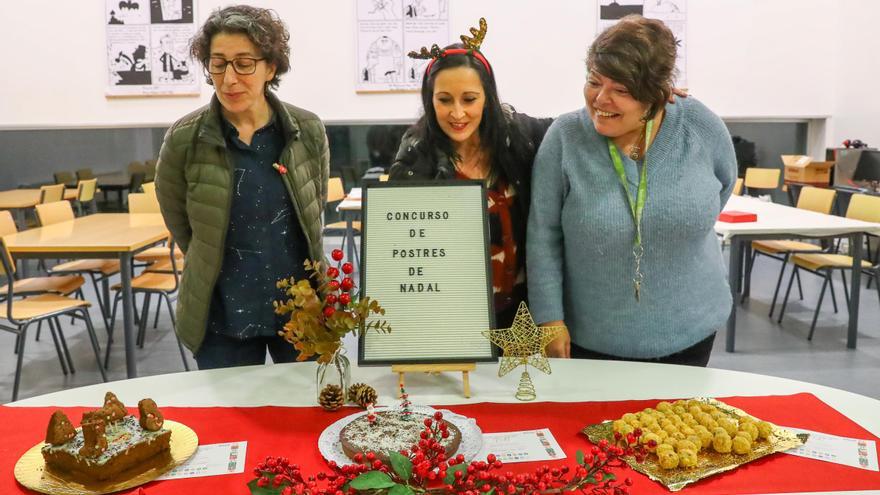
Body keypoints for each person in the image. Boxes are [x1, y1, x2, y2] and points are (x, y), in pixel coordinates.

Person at [527, 15, 736, 367]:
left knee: (677, 422)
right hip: (592, 338)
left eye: (621, 91)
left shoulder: (701, 127)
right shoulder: (565, 139)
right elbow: (543, 235)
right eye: (594, 82)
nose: (601, 99)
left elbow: (722, 187)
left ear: (657, 92)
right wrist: (549, 318)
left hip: (692, 329)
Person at [155, 5, 329, 369]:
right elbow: (179, 218)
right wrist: (211, 254)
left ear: (272, 67)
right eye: (218, 63)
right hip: (222, 316)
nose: (229, 79)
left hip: (302, 312)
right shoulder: (185, 139)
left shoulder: (306, 130)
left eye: (243, 63)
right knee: (227, 423)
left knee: (302, 418)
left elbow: (314, 209)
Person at [388, 21, 553, 330]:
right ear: (430, 99)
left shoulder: (521, 136)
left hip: (523, 318)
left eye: (469, 99)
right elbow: (404, 258)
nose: (458, 113)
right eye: (444, 100)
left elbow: (581, 127)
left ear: (487, 97)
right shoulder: (415, 158)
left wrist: (654, 97)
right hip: (453, 322)